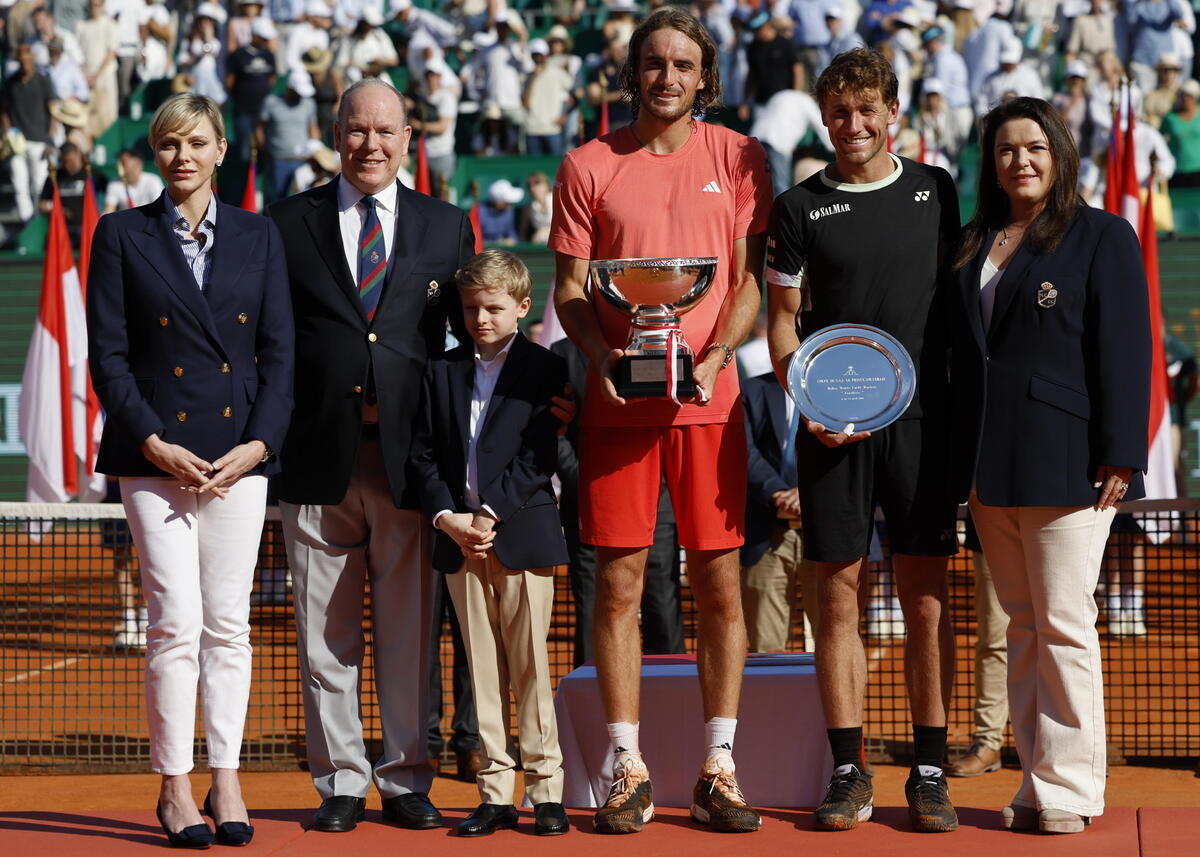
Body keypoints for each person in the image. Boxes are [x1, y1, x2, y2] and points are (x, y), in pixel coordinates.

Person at [550, 7, 772, 835]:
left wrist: (715, 360)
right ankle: (624, 765)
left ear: (704, 76)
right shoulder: (586, 164)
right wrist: (602, 359)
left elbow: (749, 283)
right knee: (618, 584)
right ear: (633, 73)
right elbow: (572, 291)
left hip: (709, 402)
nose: (667, 76)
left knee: (719, 583)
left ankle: (720, 763)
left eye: (683, 64)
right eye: (653, 63)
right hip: (618, 407)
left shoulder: (741, 156)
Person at [266, 78, 475, 834]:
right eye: (357, 130)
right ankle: (342, 780)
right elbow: (271, 343)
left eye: (385, 131)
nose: (370, 145)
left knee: (407, 631)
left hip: (408, 465)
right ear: (335, 132)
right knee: (325, 635)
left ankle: (406, 776)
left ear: (409, 137)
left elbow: (461, 350)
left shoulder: (446, 226)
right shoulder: (286, 224)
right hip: (316, 460)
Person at [86, 92, 294, 849]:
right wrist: (151, 441)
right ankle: (175, 785)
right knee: (173, 622)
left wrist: (258, 445)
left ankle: (228, 776)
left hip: (238, 460)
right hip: (154, 461)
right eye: (170, 143)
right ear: (156, 152)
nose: (183, 156)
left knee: (229, 627)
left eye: (197, 142)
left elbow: (280, 354)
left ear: (220, 152)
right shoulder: (119, 234)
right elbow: (108, 354)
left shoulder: (258, 235)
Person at [764, 47, 961, 834]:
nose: (853, 125)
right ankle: (849, 769)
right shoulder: (797, 207)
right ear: (825, 117)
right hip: (831, 427)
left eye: (867, 110)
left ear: (893, 115)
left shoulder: (935, 190)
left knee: (926, 602)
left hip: (922, 425)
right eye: (839, 112)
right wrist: (802, 392)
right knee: (835, 596)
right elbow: (783, 320)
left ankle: (931, 768)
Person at [946, 96, 1151, 835]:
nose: (1020, 161)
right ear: (991, 163)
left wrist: (1123, 449)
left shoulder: (1102, 235)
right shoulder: (973, 241)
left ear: (1059, 153)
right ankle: (1035, 782)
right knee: (1025, 626)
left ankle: (1068, 788)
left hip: (1072, 463)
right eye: (1005, 150)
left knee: (1064, 623)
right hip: (986, 466)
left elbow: (1127, 349)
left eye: (1034, 147)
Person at [409, 249, 571, 838]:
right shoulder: (441, 370)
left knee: (530, 667)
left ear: (524, 307)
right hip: (460, 540)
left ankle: (546, 789)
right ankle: (496, 792)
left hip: (520, 534)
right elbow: (423, 454)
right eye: (472, 308)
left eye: (494, 308)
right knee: (480, 669)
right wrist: (449, 517)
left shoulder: (546, 369)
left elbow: (538, 455)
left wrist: (490, 513)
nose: (481, 319)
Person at [740, 370, 819, 653]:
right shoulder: (752, 389)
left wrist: (809, 494)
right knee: (765, 648)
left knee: (836, 639)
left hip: (828, 529)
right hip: (767, 529)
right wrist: (778, 493)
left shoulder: (843, 388)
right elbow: (742, 450)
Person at [1, 43, 56, 223]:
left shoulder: (43, 81)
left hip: (39, 139)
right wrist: (9, 131)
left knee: (39, 183)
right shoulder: (12, 82)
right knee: (19, 182)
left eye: (28, 61)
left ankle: (38, 219)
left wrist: (50, 138)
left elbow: (53, 110)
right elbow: (4, 110)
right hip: (18, 141)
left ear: (32, 61)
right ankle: (27, 220)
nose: (25, 64)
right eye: (22, 61)